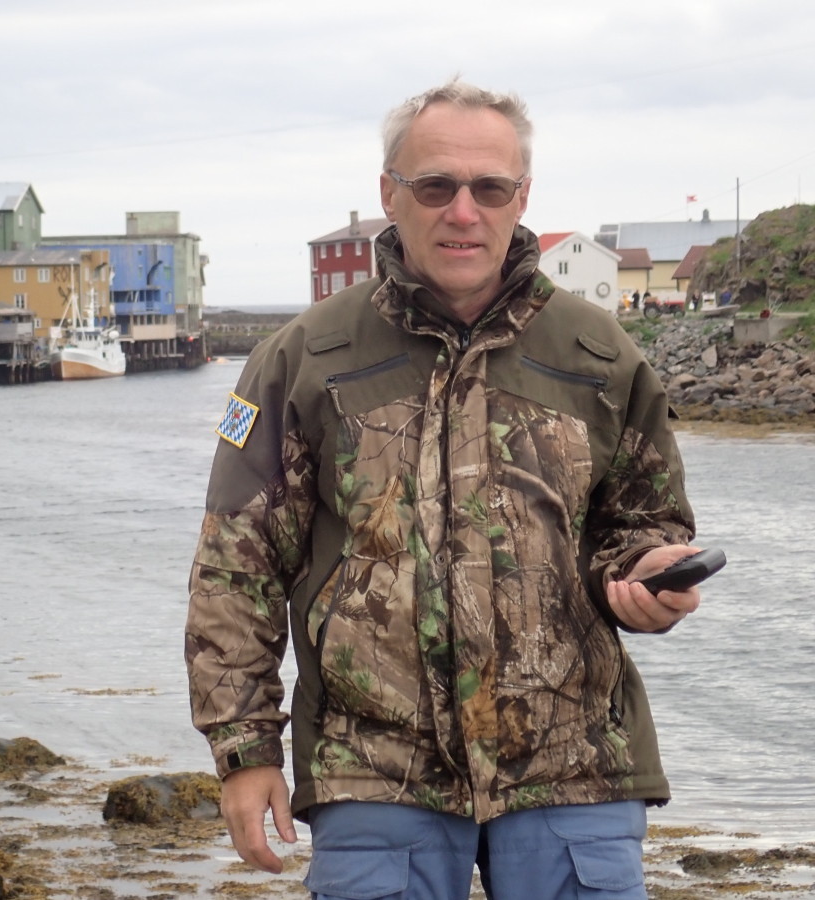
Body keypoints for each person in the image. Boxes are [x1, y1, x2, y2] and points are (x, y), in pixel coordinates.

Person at [185, 78, 704, 900]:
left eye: (489, 188)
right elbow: (235, 569)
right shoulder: (305, 356)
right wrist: (244, 753)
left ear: (521, 196)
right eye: (435, 186)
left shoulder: (598, 352)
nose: (464, 211)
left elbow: (639, 522)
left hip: (575, 768)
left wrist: (644, 578)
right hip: (374, 771)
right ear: (389, 193)